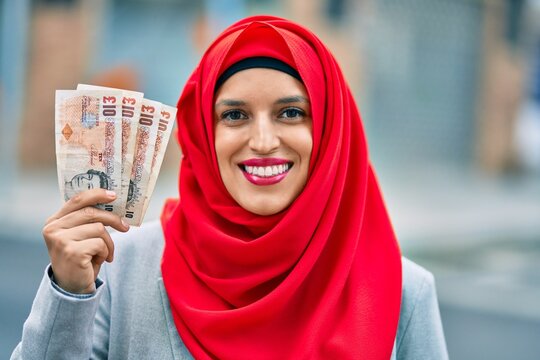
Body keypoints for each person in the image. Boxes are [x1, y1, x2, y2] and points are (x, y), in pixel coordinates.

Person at [11, 15, 448, 359]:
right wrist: (68, 293)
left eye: (291, 113)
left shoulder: (403, 294)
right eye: (235, 115)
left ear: (331, 131)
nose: (261, 142)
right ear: (204, 134)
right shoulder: (125, 267)